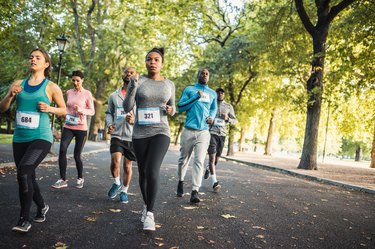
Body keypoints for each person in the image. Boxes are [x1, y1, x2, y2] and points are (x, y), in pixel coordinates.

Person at [0, 48, 66, 233]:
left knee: (23, 173)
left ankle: (24, 219)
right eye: (31, 57)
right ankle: (42, 206)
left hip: (41, 137)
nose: (33, 59)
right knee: (29, 175)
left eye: (38, 57)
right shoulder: (18, 84)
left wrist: (49, 108)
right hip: (20, 137)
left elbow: (64, 110)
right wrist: (10, 95)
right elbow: (3, 108)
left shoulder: (51, 87)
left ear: (46, 64)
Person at [123, 47, 175, 231]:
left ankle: (150, 214)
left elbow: (172, 108)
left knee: (152, 169)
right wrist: (133, 86)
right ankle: (146, 205)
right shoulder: (138, 81)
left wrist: (170, 110)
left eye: (156, 59)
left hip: (161, 131)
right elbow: (127, 106)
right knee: (143, 172)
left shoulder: (169, 84)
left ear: (162, 63)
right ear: (145, 62)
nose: (152, 62)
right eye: (149, 59)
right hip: (139, 133)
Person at [176, 68, 217, 203]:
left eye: (207, 74)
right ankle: (180, 181)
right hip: (188, 129)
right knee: (183, 159)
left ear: (208, 77)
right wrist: (196, 97)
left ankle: (195, 191)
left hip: (204, 131)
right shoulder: (189, 89)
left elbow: (213, 109)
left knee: (199, 160)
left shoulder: (212, 93)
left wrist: (211, 117)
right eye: (202, 73)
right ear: (198, 75)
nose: (204, 75)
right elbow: (181, 106)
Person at [51, 70, 95, 189]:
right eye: (73, 80)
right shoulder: (69, 92)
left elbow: (92, 111)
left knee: (77, 155)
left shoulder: (87, 94)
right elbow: (65, 108)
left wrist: (81, 110)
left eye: (77, 80)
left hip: (81, 128)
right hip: (68, 126)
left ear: (82, 80)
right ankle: (63, 179)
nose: (75, 83)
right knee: (62, 150)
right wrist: (64, 113)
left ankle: (80, 177)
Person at [105, 67, 137, 204]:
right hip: (117, 134)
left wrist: (134, 120)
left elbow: (143, 115)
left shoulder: (139, 96)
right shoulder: (113, 96)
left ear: (135, 76)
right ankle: (116, 182)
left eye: (131, 73)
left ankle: (124, 190)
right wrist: (109, 124)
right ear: (122, 75)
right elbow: (108, 113)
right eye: (126, 72)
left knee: (127, 166)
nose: (128, 74)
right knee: (115, 162)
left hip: (132, 136)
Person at [204, 88, 236, 192]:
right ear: (215, 94)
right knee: (212, 159)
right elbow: (204, 116)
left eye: (222, 93)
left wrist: (227, 118)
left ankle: (209, 168)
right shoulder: (211, 104)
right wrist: (208, 120)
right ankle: (214, 182)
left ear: (224, 95)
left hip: (222, 135)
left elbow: (234, 121)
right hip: (212, 133)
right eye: (218, 93)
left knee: (216, 159)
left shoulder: (228, 106)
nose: (220, 94)